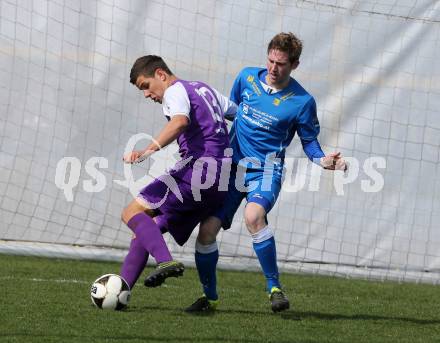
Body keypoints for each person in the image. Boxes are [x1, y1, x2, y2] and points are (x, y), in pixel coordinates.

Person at [186, 32, 347, 313]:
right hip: (232, 168)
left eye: (281, 64)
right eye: (271, 60)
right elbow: (231, 111)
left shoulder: (302, 101)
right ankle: (209, 298)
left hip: (266, 170)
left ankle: (274, 288)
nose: (274, 68)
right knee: (206, 233)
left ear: (294, 65)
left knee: (254, 216)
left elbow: (309, 142)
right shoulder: (247, 78)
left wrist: (323, 161)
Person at [120, 55, 237, 290]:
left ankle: (165, 261)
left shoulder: (175, 90)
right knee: (146, 229)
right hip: (221, 179)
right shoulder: (204, 88)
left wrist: (147, 150)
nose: (146, 94)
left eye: (146, 86)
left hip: (198, 170)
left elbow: (180, 122)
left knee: (131, 212)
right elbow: (238, 113)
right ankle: (122, 290)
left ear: (161, 75)